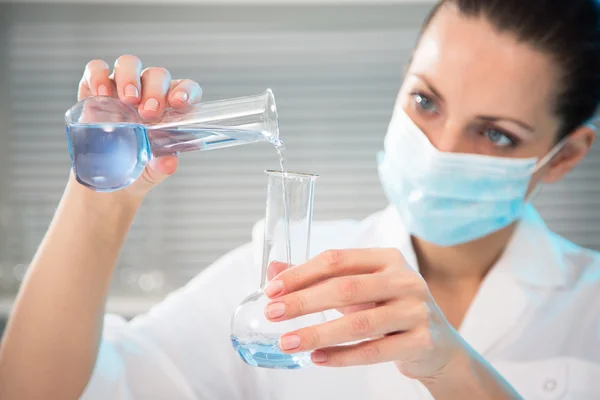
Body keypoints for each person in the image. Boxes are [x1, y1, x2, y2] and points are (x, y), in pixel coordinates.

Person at [1, 0, 600, 398]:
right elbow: (37, 389)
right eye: (426, 101)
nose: (439, 147)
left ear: (567, 155)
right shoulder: (292, 275)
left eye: (495, 134)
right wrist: (103, 201)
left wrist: (454, 368)